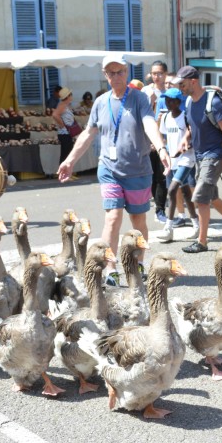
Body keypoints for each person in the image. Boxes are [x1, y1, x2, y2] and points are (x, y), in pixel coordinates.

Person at [57, 53, 170, 281]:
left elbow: (149, 123)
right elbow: (88, 134)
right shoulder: (100, 102)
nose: (116, 76)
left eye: (120, 72)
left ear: (126, 73)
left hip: (138, 169)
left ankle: (138, 263)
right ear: (105, 75)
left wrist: (160, 147)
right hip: (109, 169)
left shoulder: (139, 99)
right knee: (112, 217)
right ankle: (110, 268)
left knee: (138, 221)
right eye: (111, 72)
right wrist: (70, 160)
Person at [170, 65, 222, 253]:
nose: (180, 88)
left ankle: (202, 242)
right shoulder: (188, 103)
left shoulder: (213, 103)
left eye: (182, 84)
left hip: (215, 155)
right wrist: (185, 140)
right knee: (212, 197)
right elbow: (191, 127)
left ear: (193, 81)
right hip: (199, 156)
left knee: (200, 198)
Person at [154, 87, 198, 243]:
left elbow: (193, 137)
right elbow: (162, 135)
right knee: (185, 193)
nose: (168, 102)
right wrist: (163, 149)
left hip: (186, 160)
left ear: (179, 102)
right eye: (166, 99)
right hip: (172, 161)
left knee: (172, 190)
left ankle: (168, 228)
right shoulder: (165, 117)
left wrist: (186, 147)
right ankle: (197, 225)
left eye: (172, 100)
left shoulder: (186, 117)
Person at [142, 61, 170, 221]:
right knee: (153, 175)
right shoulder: (145, 92)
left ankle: (163, 209)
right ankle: (158, 207)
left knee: (163, 176)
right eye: (153, 73)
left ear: (165, 74)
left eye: (159, 73)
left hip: (168, 140)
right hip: (150, 140)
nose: (156, 77)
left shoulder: (170, 92)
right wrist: (151, 103)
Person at [50, 87, 78, 167]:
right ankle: (63, 172)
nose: (72, 96)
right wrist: (62, 125)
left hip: (67, 133)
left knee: (67, 153)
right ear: (68, 96)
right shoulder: (62, 105)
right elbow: (55, 115)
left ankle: (66, 171)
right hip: (64, 133)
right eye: (71, 95)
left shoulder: (65, 105)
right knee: (65, 153)